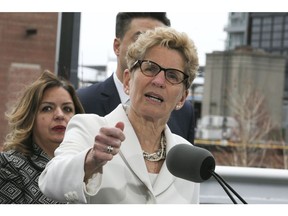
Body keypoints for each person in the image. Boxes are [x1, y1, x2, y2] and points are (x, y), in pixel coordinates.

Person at [39, 26, 200, 204]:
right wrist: (91, 160)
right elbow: (50, 181)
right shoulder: (89, 128)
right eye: (150, 68)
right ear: (127, 81)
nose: (159, 81)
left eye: (172, 75)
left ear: (182, 97)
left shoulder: (188, 157)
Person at [77, 12, 195, 143]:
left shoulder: (185, 112)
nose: (150, 45)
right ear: (117, 46)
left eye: (172, 75)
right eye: (141, 38)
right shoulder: (82, 101)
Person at [0, 70, 85, 204]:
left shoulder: (87, 163)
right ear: (30, 118)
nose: (59, 115)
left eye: (67, 109)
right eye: (47, 108)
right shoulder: (10, 165)